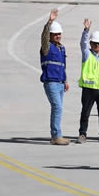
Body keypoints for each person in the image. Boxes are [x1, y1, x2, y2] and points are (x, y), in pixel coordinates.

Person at [39, 9, 69, 145]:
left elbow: (63, 66)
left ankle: (56, 135)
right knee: (57, 107)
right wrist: (49, 22)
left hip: (60, 83)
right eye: (55, 34)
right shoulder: (47, 47)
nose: (57, 36)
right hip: (50, 82)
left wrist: (66, 80)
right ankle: (56, 136)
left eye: (59, 34)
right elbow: (44, 37)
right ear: (50, 35)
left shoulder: (61, 48)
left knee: (58, 108)